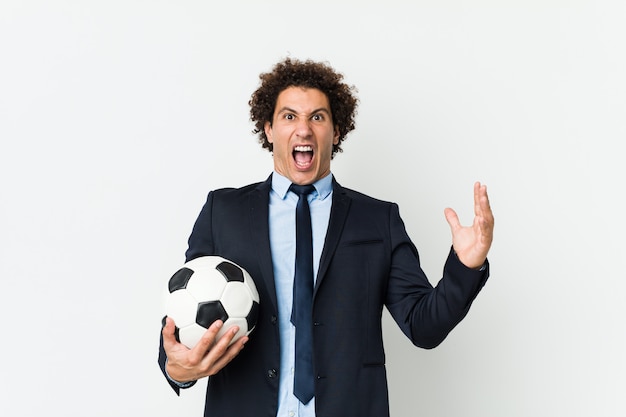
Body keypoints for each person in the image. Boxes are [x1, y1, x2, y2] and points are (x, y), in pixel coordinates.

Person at [158, 57, 494, 417]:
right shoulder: (222, 212)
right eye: (289, 116)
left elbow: (423, 326)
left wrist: (465, 265)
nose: (303, 129)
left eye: (317, 117)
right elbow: (185, 313)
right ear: (269, 129)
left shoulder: (378, 220)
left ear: (336, 132)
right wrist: (178, 369)